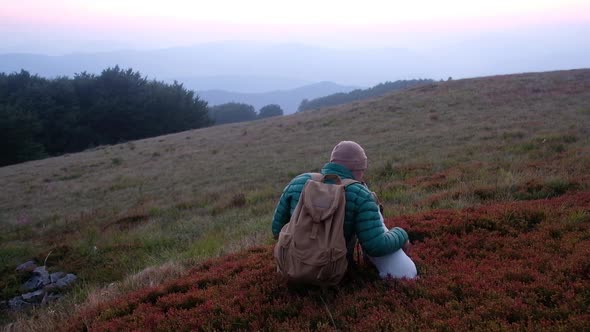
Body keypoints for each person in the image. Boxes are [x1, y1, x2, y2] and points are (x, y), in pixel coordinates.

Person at [272, 141, 417, 279]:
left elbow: (276, 229)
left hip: (291, 269)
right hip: (332, 274)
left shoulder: (298, 182)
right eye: (363, 170)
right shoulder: (360, 194)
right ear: (358, 169)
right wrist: (402, 234)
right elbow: (375, 246)